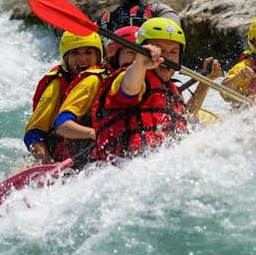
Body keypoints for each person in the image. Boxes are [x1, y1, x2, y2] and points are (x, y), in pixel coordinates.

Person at [91, 17, 220, 161]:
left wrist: (205, 83)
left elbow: (186, 117)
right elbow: (129, 88)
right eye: (160, 50)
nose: (167, 57)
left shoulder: (170, 88)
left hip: (162, 164)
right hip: (127, 165)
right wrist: (140, 62)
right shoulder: (130, 76)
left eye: (173, 51)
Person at [49, 26, 140, 168]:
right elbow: (61, 124)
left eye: (142, 54)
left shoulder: (152, 80)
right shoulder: (93, 80)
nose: (82, 59)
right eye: (132, 52)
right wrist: (94, 133)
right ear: (115, 57)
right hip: (82, 159)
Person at [23, 31, 104, 164]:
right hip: (57, 155)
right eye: (75, 53)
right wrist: (48, 162)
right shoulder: (56, 86)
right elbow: (33, 135)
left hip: (91, 152)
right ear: (66, 58)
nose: (82, 59)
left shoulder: (106, 77)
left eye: (88, 52)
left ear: (98, 55)